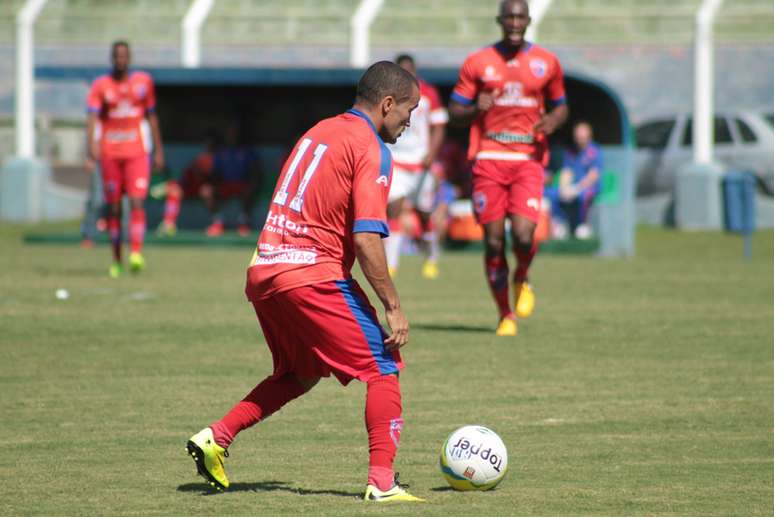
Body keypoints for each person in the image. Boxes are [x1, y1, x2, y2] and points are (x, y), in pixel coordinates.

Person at [185, 61, 424, 503]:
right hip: (313, 274)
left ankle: (216, 438)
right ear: (387, 104)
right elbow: (367, 237)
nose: (410, 121)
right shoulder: (371, 148)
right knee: (383, 367)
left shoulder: (318, 131)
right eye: (409, 110)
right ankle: (382, 482)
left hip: (265, 271)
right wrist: (392, 304)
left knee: (300, 373)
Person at [448, 0, 568, 336]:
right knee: (494, 242)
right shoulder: (479, 62)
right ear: (500, 20)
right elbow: (454, 111)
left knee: (524, 233)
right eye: (509, 17)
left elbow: (561, 107)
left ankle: (522, 275)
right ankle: (505, 315)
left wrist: (552, 121)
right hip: (488, 158)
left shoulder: (547, 62)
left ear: (528, 20)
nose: (515, 22)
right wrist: (474, 109)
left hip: (527, 159)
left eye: (520, 17)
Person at [86, 41, 164, 278]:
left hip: (137, 153)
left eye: (124, 56)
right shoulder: (101, 86)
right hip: (110, 153)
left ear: (129, 58)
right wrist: (91, 149)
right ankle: (117, 259)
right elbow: (92, 119)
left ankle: (136, 253)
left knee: (138, 202)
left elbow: (152, 117)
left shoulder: (143, 83)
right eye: (117, 56)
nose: (121, 60)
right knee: (115, 208)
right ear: (112, 58)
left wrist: (159, 150)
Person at [383, 54, 448, 279]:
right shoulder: (388, 94)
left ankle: (431, 256)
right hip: (397, 160)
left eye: (409, 70)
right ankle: (391, 264)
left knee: (423, 214)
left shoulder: (429, 93)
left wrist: (432, 153)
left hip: (421, 162)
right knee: (394, 208)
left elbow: (439, 126)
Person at [156, 131, 222, 237]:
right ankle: (169, 224)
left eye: (211, 144)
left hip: (211, 189)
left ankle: (218, 223)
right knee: (174, 189)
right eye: (207, 144)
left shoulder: (219, 158)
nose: (209, 146)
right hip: (191, 188)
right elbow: (188, 177)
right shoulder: (201, 158)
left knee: (206, 191)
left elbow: (216, 177)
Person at [204, 124, 261, 237]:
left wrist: (253, 183)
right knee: (206, 191)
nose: (232, 136)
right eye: (229, 133)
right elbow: (214, 172)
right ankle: (218, 222)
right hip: (225, 185)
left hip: (242, 184)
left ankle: (243, 223)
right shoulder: (221, 152)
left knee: (251, 189)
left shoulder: (247, 151)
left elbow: (255, 171)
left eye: (234, 133)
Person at [552, 121, 602, 239]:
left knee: (583, 196)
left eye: (582, 138)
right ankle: (560, 224)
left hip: (589, 187)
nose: (579, 140)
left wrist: (578, 188)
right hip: (573, 186)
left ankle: (582, 225)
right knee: (554, 194)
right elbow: (566, 172)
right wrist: (564, 188)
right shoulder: (571, 152)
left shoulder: (594, 151)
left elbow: (594, 175)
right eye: (577, 138)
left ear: (589, 137)